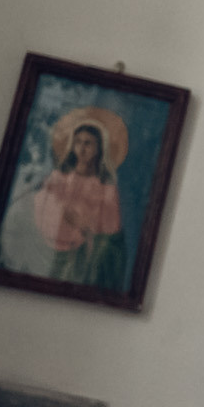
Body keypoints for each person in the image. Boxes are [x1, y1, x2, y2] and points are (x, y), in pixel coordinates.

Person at [32, 111, 127, 288]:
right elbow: (38, 211)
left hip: (81, 256)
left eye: (88, 144)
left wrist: (86, 225)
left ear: (99, 148)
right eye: (77, 142)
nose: (82, 149)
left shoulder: (106, 188)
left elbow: (112, 234)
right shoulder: (58, 178)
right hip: (48, 250)